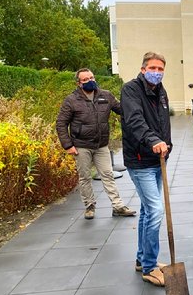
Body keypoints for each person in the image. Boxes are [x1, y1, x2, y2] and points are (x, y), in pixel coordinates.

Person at [120, 52, 172, 287]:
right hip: (140, 159)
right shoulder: (131, 90)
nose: (157, 72)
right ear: (142, 69)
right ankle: (150, 267)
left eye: (161, 68)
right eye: (153, 68)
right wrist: (153, 141)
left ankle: (143, 259)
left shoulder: (161, 92)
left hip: (158, 159)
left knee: (146, 211)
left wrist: (166, 144)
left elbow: (163, 123)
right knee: (155, 211)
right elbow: (134, 121)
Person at [56, 68, 136, 220]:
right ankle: (89, 206)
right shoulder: (71, 100)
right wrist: (68, 145)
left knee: (108, 175)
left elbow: (122, 110)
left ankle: (118, 206)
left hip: (101, 145)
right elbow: (61, 123)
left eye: (91, 77)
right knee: (85, 177)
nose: (90, 81)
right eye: (85, 80)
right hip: (81, 146)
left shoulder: (106, 96)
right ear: (79, 83)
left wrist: (136, 105)